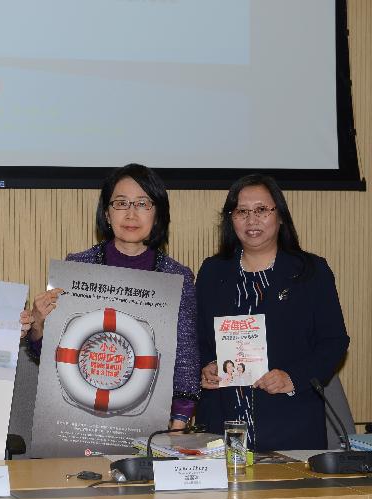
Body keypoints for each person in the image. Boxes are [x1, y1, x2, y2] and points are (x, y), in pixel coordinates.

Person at [27, 163, 200, 429]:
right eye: (121, 203)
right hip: (80, 418)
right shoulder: (77, 267)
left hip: (151, 421)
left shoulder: (177, 278)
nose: (131, 213)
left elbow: (185, 360)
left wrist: (179, 422)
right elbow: (51, 357)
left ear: (157, 214)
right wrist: (38, 325)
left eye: (143, 204)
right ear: (107, 214)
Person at [197, 174, 349, 451]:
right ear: (231, 219)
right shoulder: (212, 272)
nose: (251, 219)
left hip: (290, 427)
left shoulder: (310, 272)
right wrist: (206, 367)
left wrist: (293, 377)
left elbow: (334, 342)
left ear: (280, 216)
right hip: (221, 424)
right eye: (241, 211)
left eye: (261, 210)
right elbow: (198, 338)